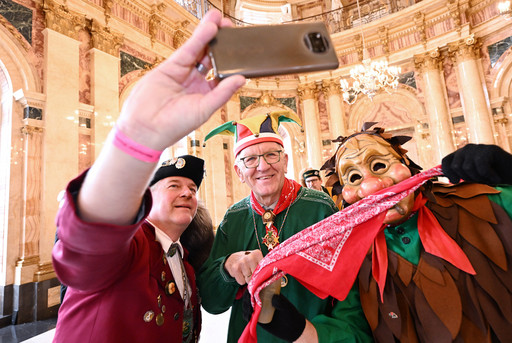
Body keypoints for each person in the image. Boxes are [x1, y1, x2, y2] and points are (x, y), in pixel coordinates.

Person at [51, 10, 246, 343]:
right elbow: (86, 249)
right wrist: (135, 140)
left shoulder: (184, 265)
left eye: (191, 188)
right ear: (147, 196)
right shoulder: (129, 249)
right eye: (174, 185)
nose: (187, 192)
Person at [319, 123, 512, 342]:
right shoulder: (355, 255)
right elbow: (353, 329)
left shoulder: (487, 205)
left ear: (407, 165)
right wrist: (294, 328)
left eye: (379, 165)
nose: (373, 186)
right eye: (353, 177)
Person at [198, 111, 373, 342]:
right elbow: (212, 302)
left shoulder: (319, 208)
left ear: (285, 161)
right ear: (239, 172)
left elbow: (347, 290)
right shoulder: (233, 218)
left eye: (272, 155)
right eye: (250, 159)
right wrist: (227, 268)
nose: (262, 166)